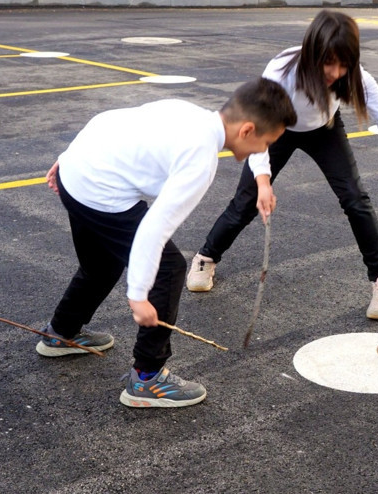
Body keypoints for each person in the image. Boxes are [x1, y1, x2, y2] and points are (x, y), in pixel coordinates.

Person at [39, 78, 297, 408]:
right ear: (247, 130)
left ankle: (61, 332)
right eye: (266, 144)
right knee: (169, 268)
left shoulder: (190, 114)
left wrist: (70, 157)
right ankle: (147, 376)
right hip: (97, 190)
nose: (263, 152)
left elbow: (108, 120)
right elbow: (154, 228)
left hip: (75, 175)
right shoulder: (200, 158)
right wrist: (138, 295)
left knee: (101, 263)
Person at [186, 9, 378, 321]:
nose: (335, 72)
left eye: (343, 63)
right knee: (246, 201)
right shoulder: (280, 72)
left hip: (324, 130)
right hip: (276, 129)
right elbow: (257, 128)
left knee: (355, 199)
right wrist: (264, 183)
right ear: (312, 52)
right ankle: (206, 257)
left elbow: (367, 83)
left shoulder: (346, 68)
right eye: (328, 62)